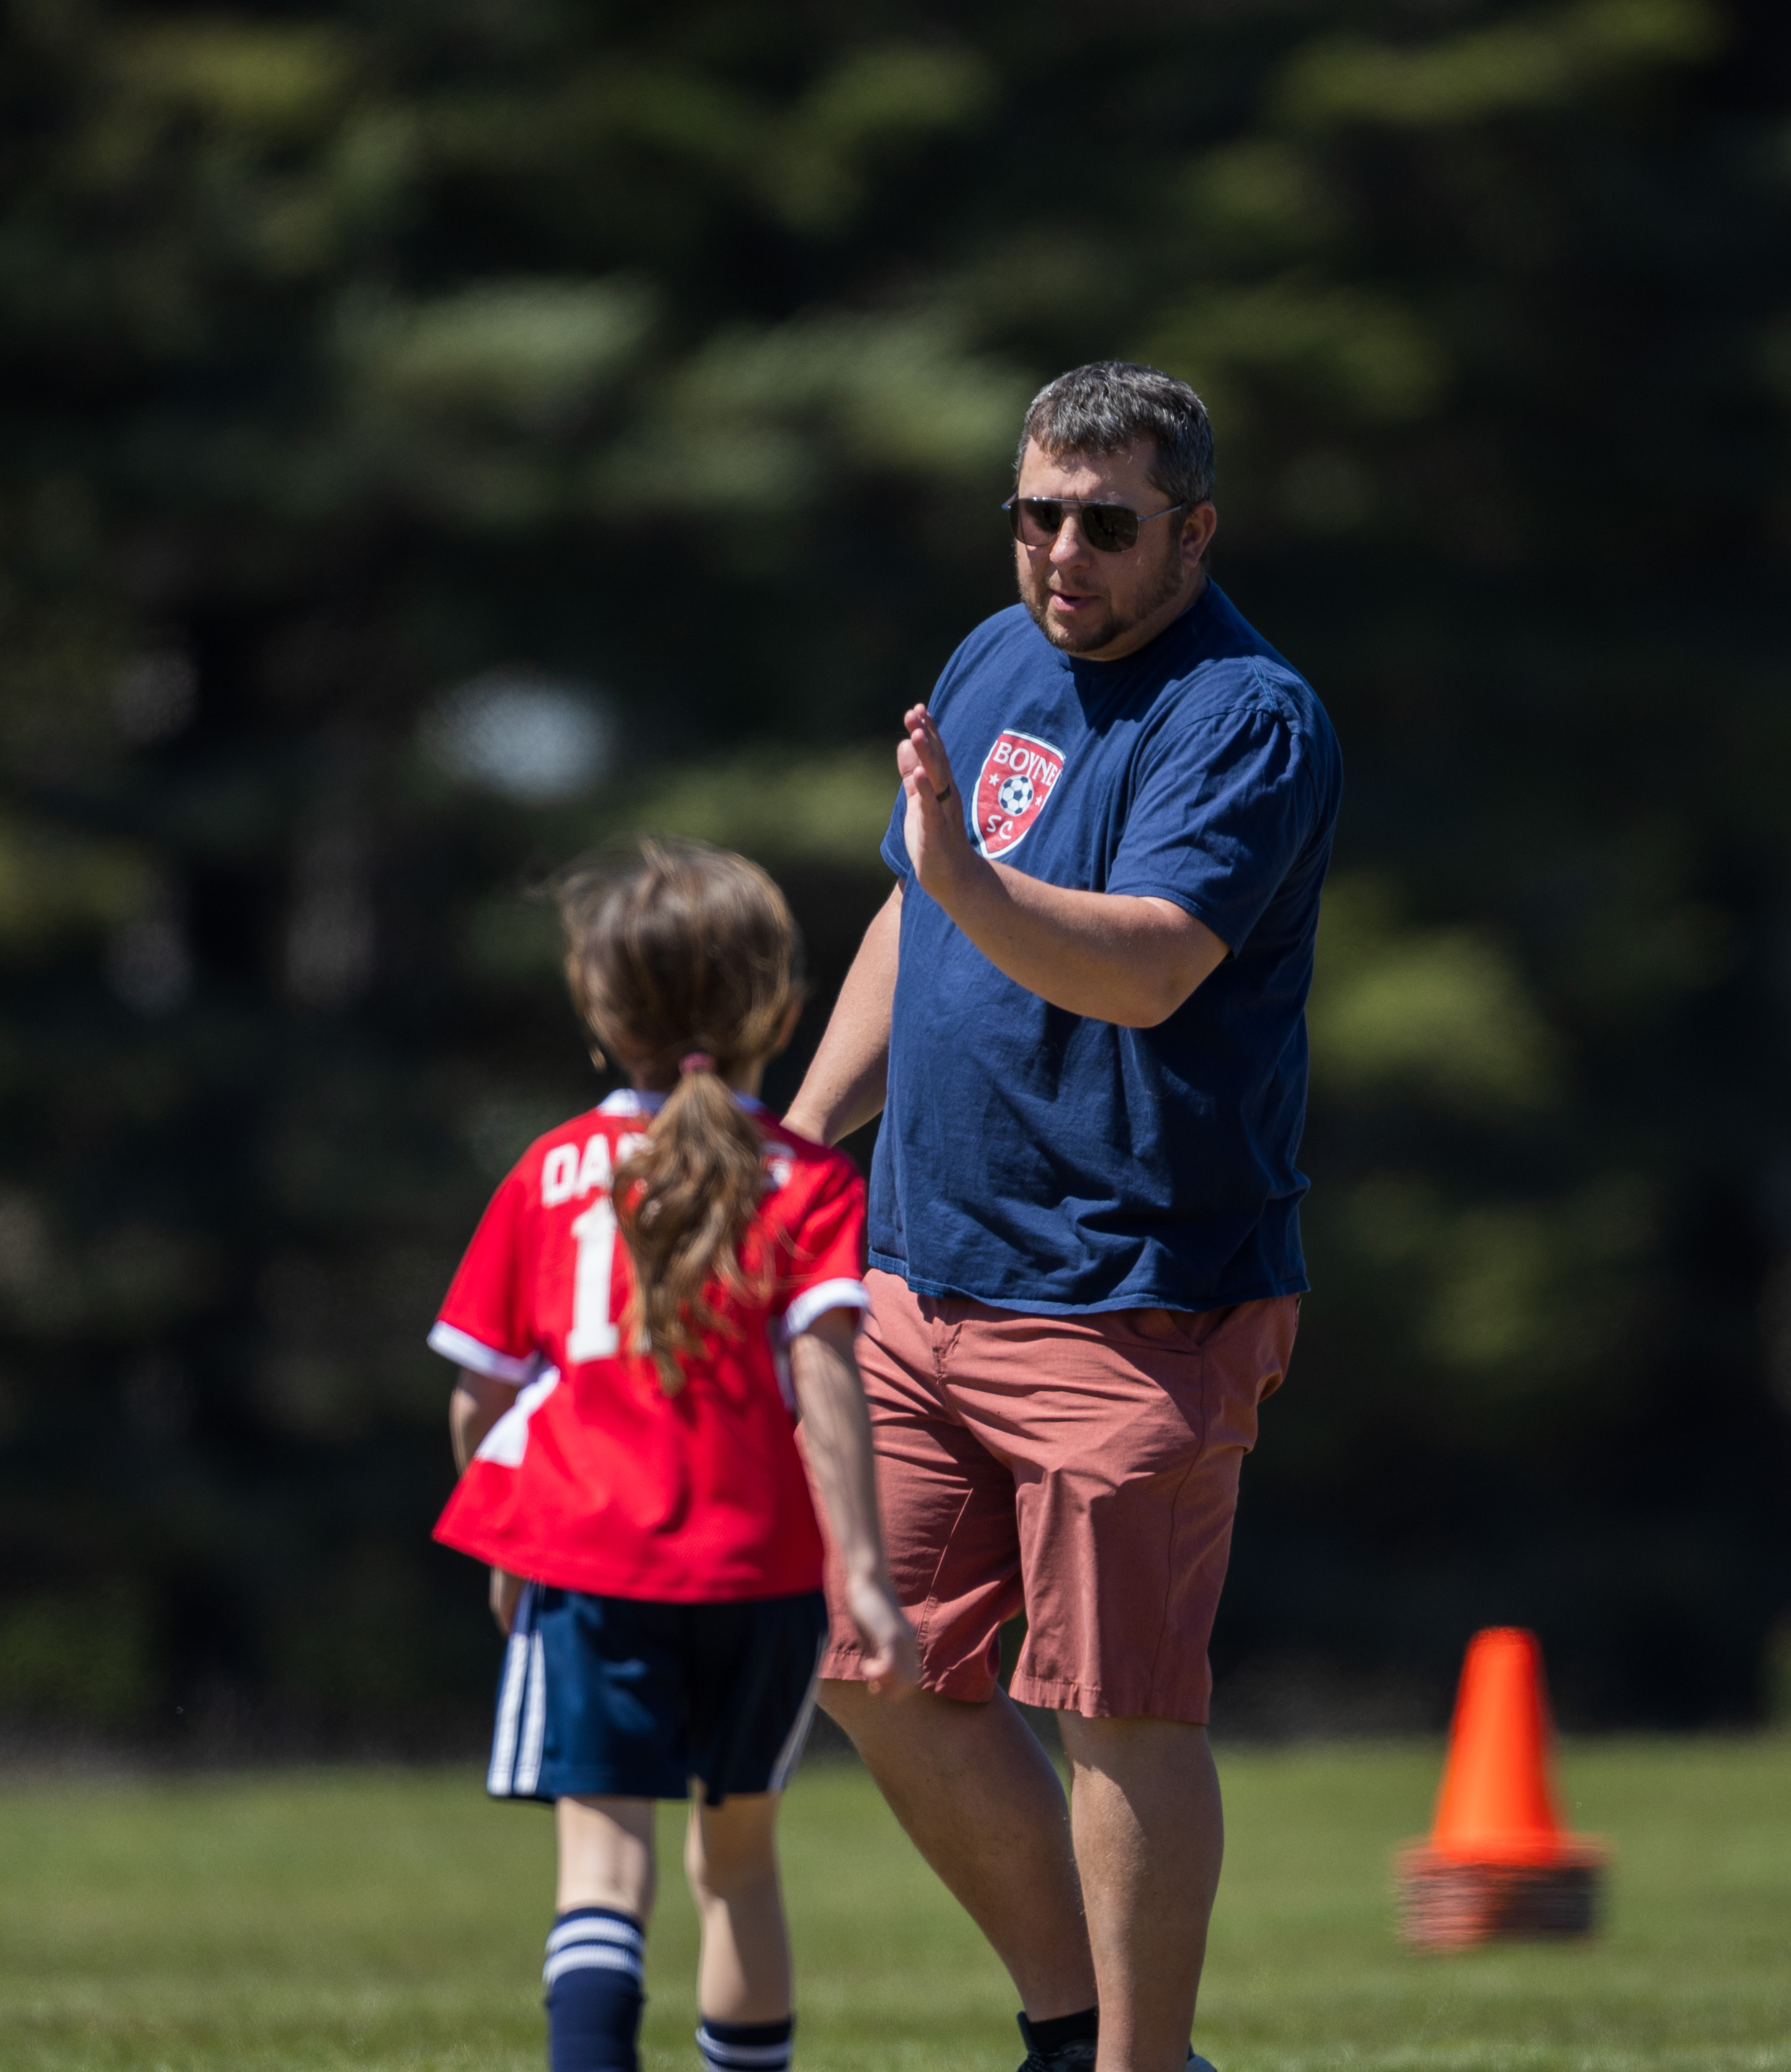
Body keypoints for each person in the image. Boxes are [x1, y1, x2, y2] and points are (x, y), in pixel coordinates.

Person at [781, 363, 1342, 2072]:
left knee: (1117, 1707)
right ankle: (1072, 2029)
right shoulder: (992, 656)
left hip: (1132, 1292)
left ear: (1194, 531)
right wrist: (802, 1134)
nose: (1062, 555)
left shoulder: (1245, 715)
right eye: (1037, 516)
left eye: (1106, 525)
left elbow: (1149, 966)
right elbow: (914, 915)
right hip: (918, 1269)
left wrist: (965, 875)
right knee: (864, 1657)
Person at [428, 837, 920, 2072]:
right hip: (761, 1575)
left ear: (602, 1016)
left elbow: (481, 1395)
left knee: (604, 1870)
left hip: (587, 1562)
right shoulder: (809, 1179)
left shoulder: (547, 1173)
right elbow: (828, 1378)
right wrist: (864, 1574)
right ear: (784, 1014)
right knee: (738, 1864)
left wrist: (505, 1538)